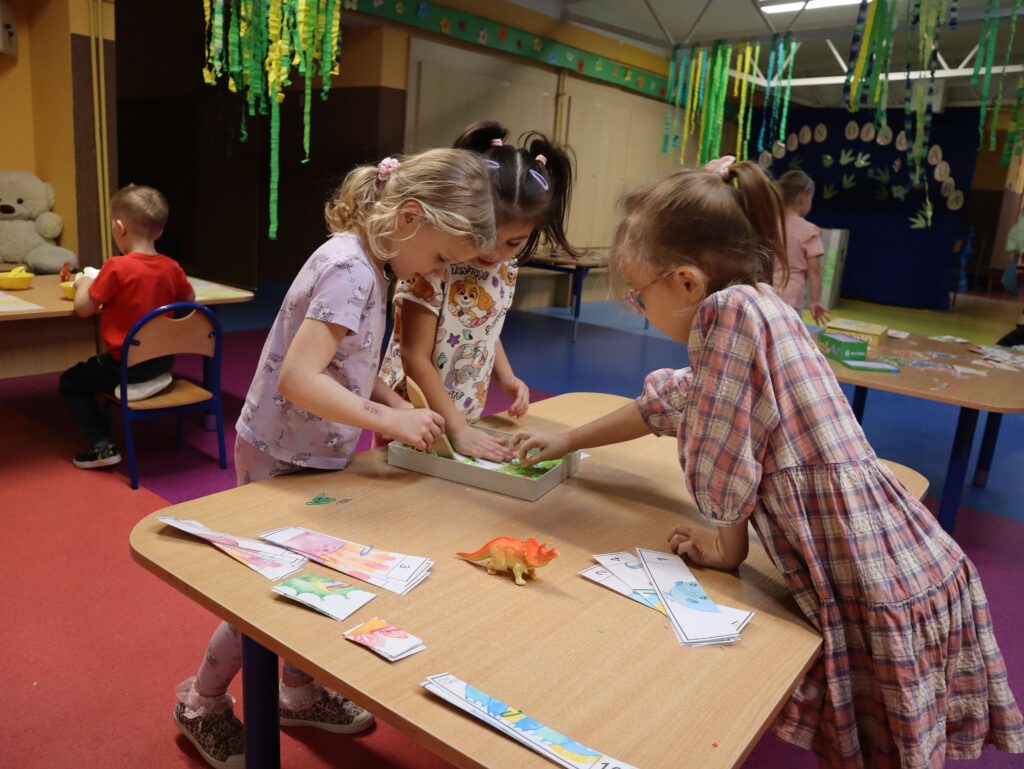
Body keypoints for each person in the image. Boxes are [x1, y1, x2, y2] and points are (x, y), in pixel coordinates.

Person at [513, 157, 1024, 768]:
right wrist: (569, 440)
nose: (637, 308)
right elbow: (675, 401)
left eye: (638, 295)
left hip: (861, 570)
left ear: (686, 282)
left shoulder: (724, 316)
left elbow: (724, 457)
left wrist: (725, 549)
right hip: (897, 556)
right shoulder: (763, 303)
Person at [174, 149, 496, 769]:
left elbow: (351, 363)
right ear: (410, 218)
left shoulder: (371, 261)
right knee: (264, 595)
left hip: (311, 449)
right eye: (439, 258)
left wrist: (393, 401)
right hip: (280, 450)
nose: (435, 273)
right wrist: (391, 420)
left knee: (309, 582)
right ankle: (201, 702)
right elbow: (299, 378)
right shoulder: (351, 270)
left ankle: (297, 693)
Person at [377, 121, 577, 460]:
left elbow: (484, 326)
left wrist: (506, 376)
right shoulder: (433, 265)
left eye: (513, 242)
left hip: (463, 417)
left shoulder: (506, 269)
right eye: (485, 235)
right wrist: (455, 427)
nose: (495, 252)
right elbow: (414, 356)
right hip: (411, 415)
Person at [59, 184, 194, 470]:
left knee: (71, 382)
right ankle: (148, 384)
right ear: (160, 230)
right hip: (161, 362)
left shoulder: (116, 267)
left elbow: (83, 309)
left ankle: (101, 446)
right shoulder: (172, 267)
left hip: (123, 366)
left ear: (119, 228)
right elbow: (190, 300)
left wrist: (85, 280)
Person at [774, 170, 830, 325]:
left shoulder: (769, 225)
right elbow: (815, 270)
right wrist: (814, 301)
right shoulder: (809, 230)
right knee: (789, 332)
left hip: (766, 291)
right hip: (791, 295)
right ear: (802, 199)